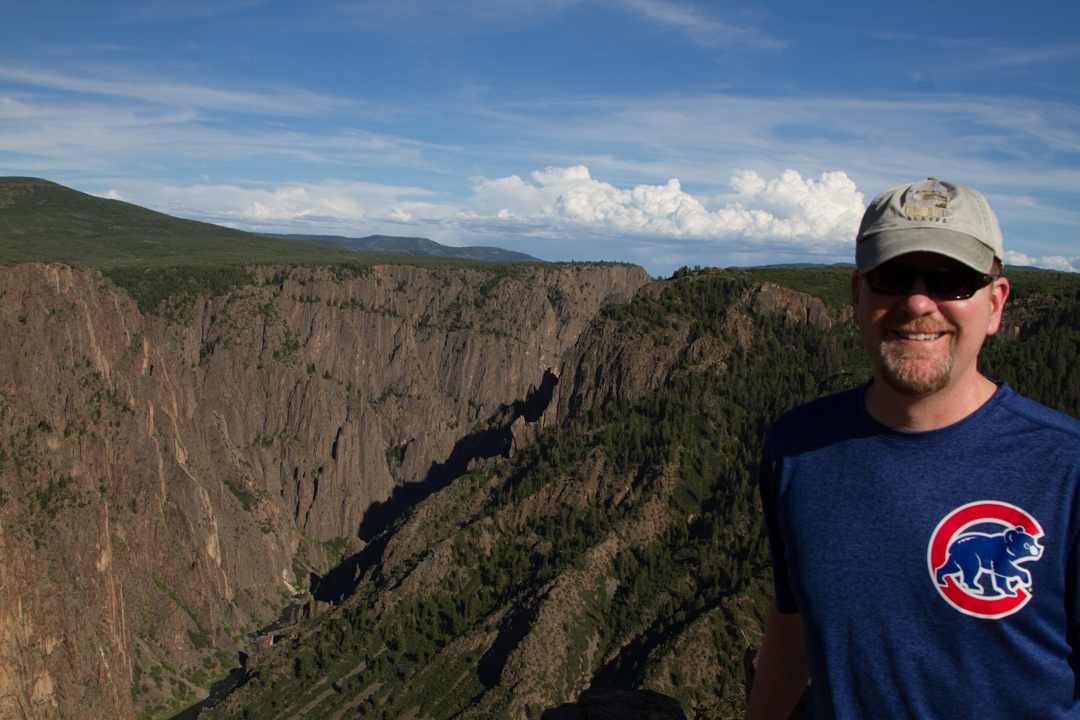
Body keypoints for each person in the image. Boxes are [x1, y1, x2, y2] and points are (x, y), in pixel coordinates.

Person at [745, 178, 1080, 719]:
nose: (919, 301)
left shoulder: (1066, 467)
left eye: (952, 280)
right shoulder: (796, 448)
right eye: (892, 276)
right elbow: (793, 621)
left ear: (995, 304)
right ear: (857, 296)